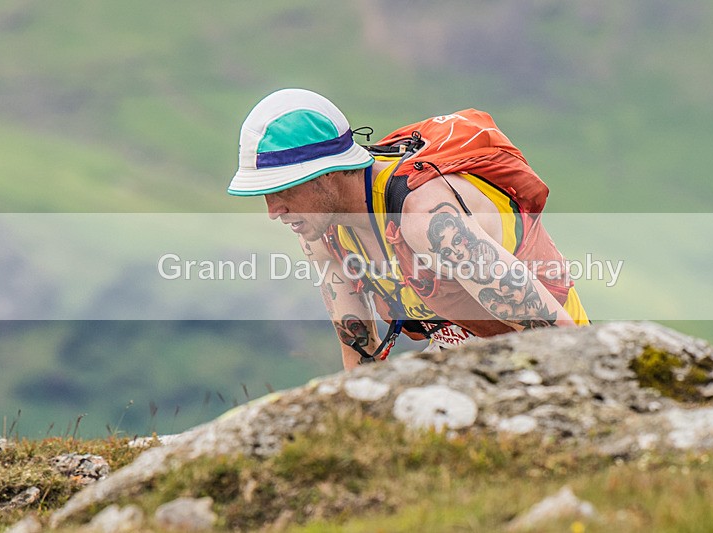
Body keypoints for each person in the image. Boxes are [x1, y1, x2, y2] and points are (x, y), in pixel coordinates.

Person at [229, 88, 589, 369]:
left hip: (546, 354)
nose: (274, 211)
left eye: (284, 189)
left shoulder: (428, 218)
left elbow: (559, 336)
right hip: (463, 358)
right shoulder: (322, 233)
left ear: (327, 173)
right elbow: (360, 354)